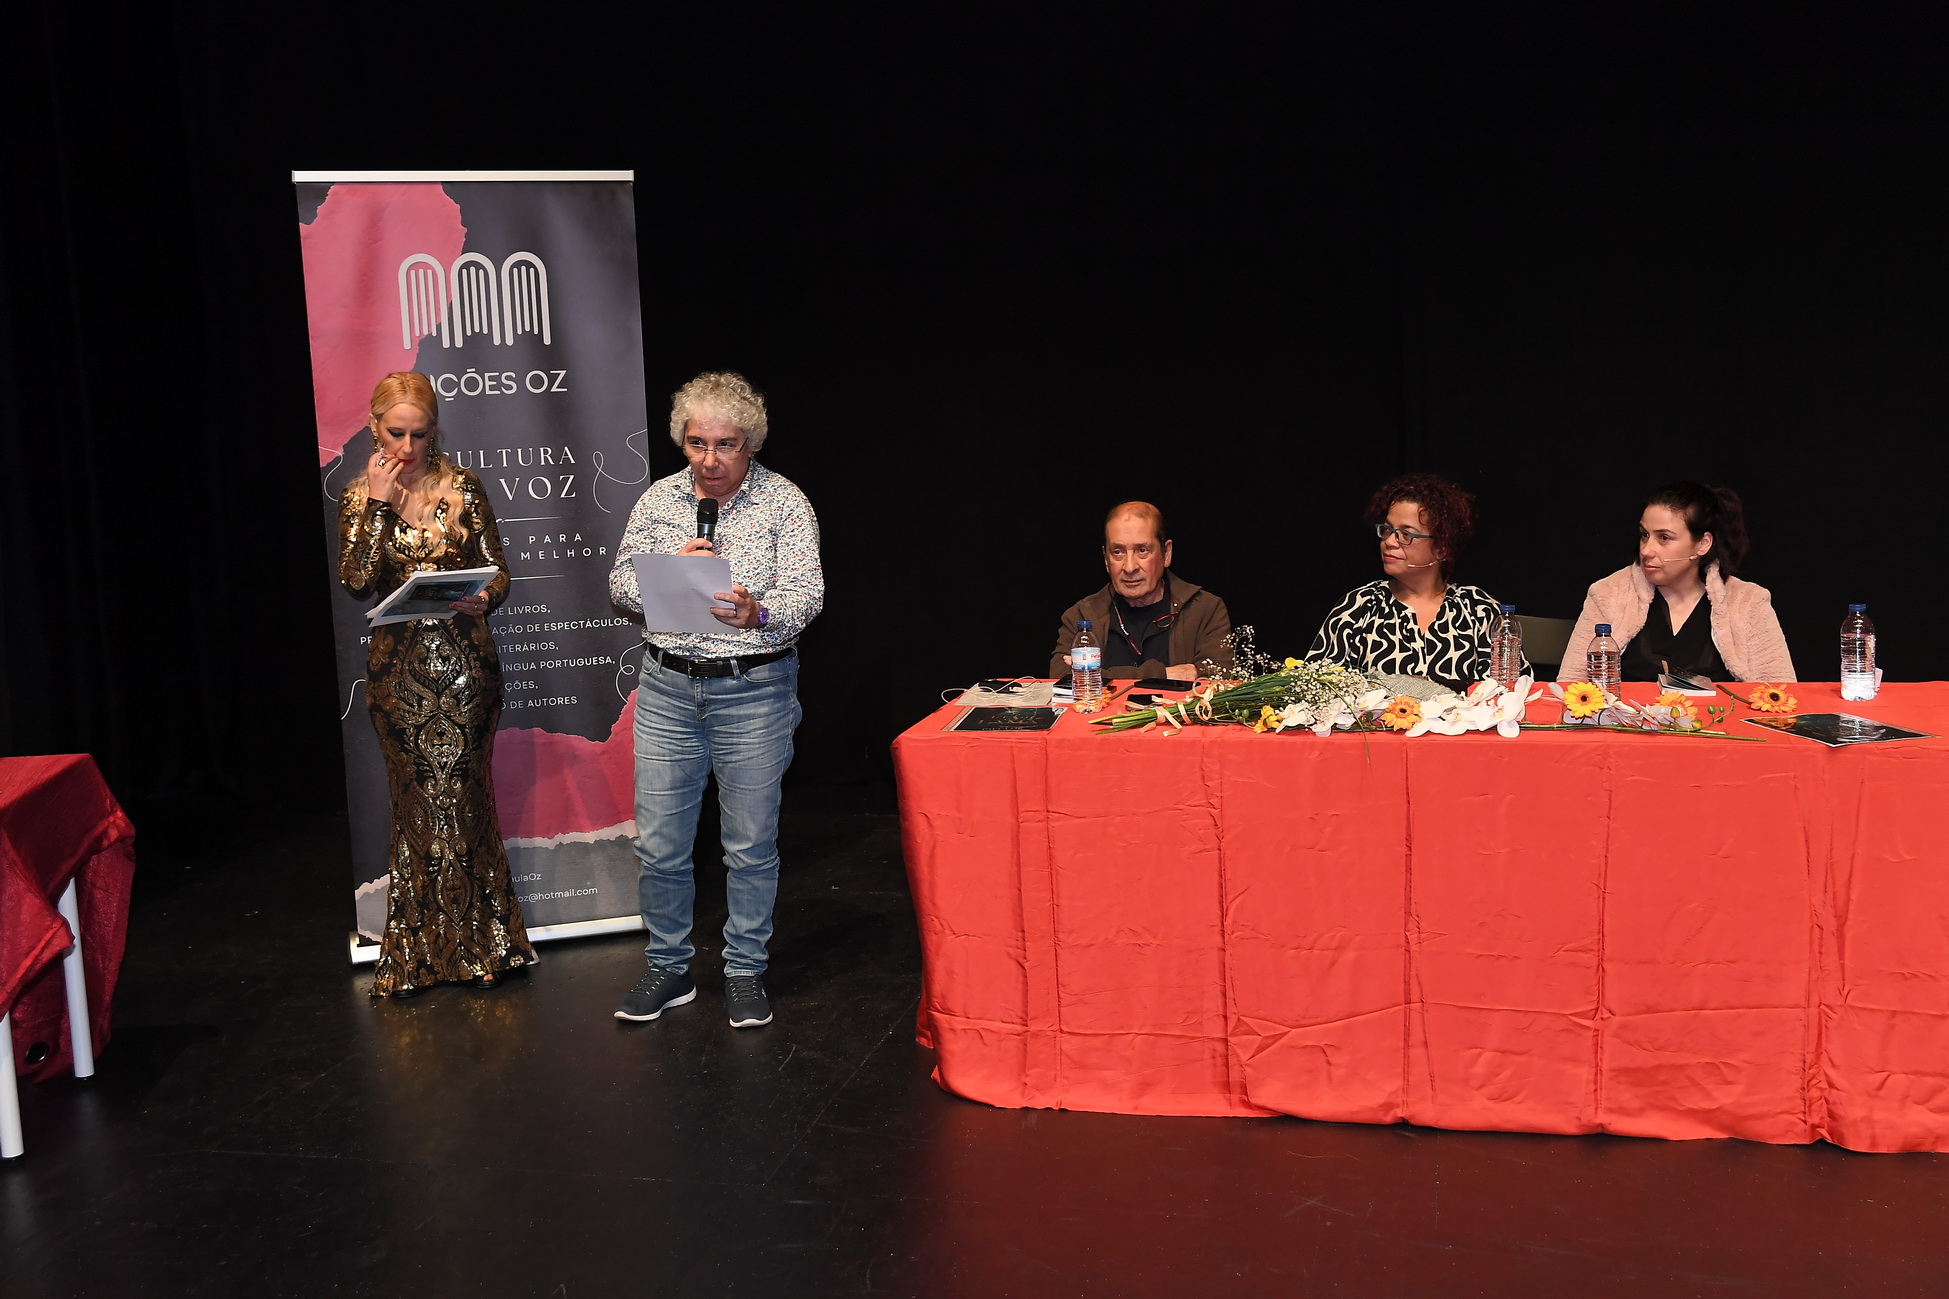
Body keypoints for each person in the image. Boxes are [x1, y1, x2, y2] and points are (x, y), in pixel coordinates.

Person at [607, 372, 824, 1030]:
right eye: (697, 443)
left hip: (752, 690)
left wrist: (759, 612)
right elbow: (618, 584)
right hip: (667, 689)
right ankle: (668, 967)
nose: (709, 459)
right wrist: (665, 574)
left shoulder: (783, 502)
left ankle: (744, 969)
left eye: (725, 444)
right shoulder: (659, 501)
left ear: (749, 443)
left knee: (749, 845)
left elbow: (807, 594)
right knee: (660, 846)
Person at [337, 371, 535, 998]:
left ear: (434, 432)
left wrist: (484, 597)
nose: (407, 447)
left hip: (467, 670)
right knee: (416, 809)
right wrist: (377, 502)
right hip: (399, 678)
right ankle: (415, 957)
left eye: (420, 435)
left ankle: (485, 947)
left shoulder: (464, 487)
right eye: (396, 433)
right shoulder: (357, 498)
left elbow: (498, 572)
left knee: (466, 801)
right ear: (374, 428)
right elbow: (356, 580)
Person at [1560, 482, 1794, 684]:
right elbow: (1572, 686)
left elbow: (1780, 694)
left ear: (1703, 544)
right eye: (1644, 535)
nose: (1647, 550)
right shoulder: (1608, 594)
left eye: (1664, 538)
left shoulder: (1749, 602)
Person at [1308, 472, 1518, 691]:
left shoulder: (1479, 610)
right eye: (1387, 530)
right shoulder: (1359, 606)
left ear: (1441, 547)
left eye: (1406, 535)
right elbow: (1316, 689)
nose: (1390, 542)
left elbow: (1512, 692)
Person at [1049, 502, 1234, 681]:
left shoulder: (1205, 610)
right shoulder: (1081, 616)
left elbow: (1218, 680)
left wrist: (1099, 675)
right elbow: (1061, 680)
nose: (1129, 567)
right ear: (1106, 559)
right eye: (1118, 552)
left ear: (1166, 553)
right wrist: (1162, 674)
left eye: (1142, 550)